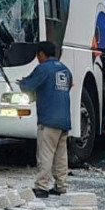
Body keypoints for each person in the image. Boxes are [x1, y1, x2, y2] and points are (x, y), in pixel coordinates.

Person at [19, 41, 73, 198]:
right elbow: (67, 87)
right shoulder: (65, 69)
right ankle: (61, 185)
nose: (37, 58)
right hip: (64, 121)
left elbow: (28, 85)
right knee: (61, 156)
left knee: (45, 154)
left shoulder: (43, 68)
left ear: (41, 54)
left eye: (37, 55)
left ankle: (41, 187)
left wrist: (21, 83)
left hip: (48, 120)